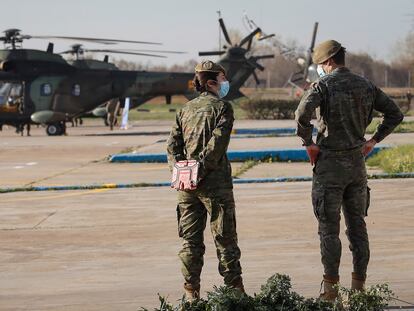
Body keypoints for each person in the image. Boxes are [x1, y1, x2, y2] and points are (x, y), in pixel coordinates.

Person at [295, 40, 404, 301]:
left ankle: (331, 292)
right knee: (358, 227)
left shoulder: (323, 85)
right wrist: (373, 140)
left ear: (329, 62)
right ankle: (359, 291)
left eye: (321, 65)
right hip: (357, 165)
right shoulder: (365, 84)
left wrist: (309, 144)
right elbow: (395, 114)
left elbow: (301, 116)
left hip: (329, 166)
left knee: (329, 230)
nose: (320, 69)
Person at [167, 60, 244, 300]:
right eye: (222, 79)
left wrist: (183, 171)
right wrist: (199, 170)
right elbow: (216, 146)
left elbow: (172, 146)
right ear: (211, 82)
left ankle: (191, 294)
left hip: (186, 188)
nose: (225, 83)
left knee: (190, 242)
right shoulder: (223, 108)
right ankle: (235, 293)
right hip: (215, 186)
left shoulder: (184, 110)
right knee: (225, 240)